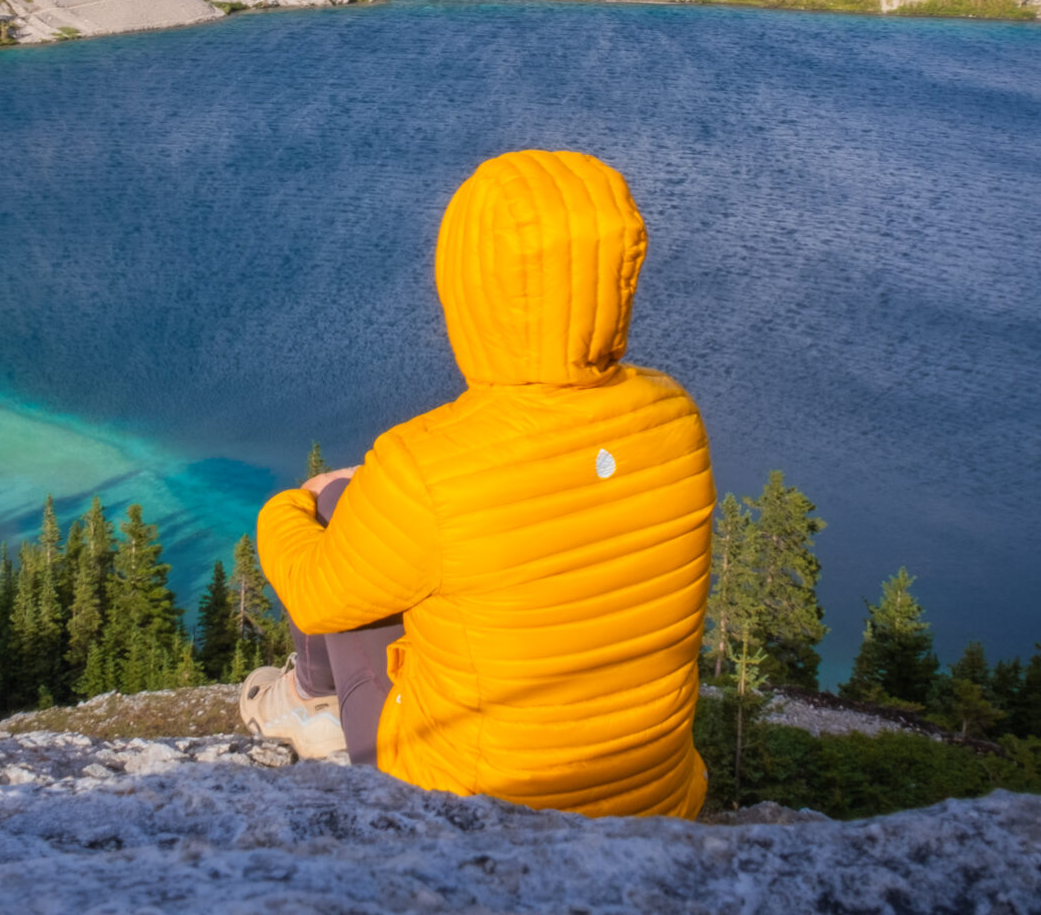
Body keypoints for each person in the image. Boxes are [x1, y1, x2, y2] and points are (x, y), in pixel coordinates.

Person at [243, 148, 716, 819]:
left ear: (471, 286)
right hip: (661, 803)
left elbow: (316, 596)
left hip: (478, 806)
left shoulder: (431, 462)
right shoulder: (675, 414)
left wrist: (294, 502)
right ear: (618, 274)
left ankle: (305, 708)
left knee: (339, 513)